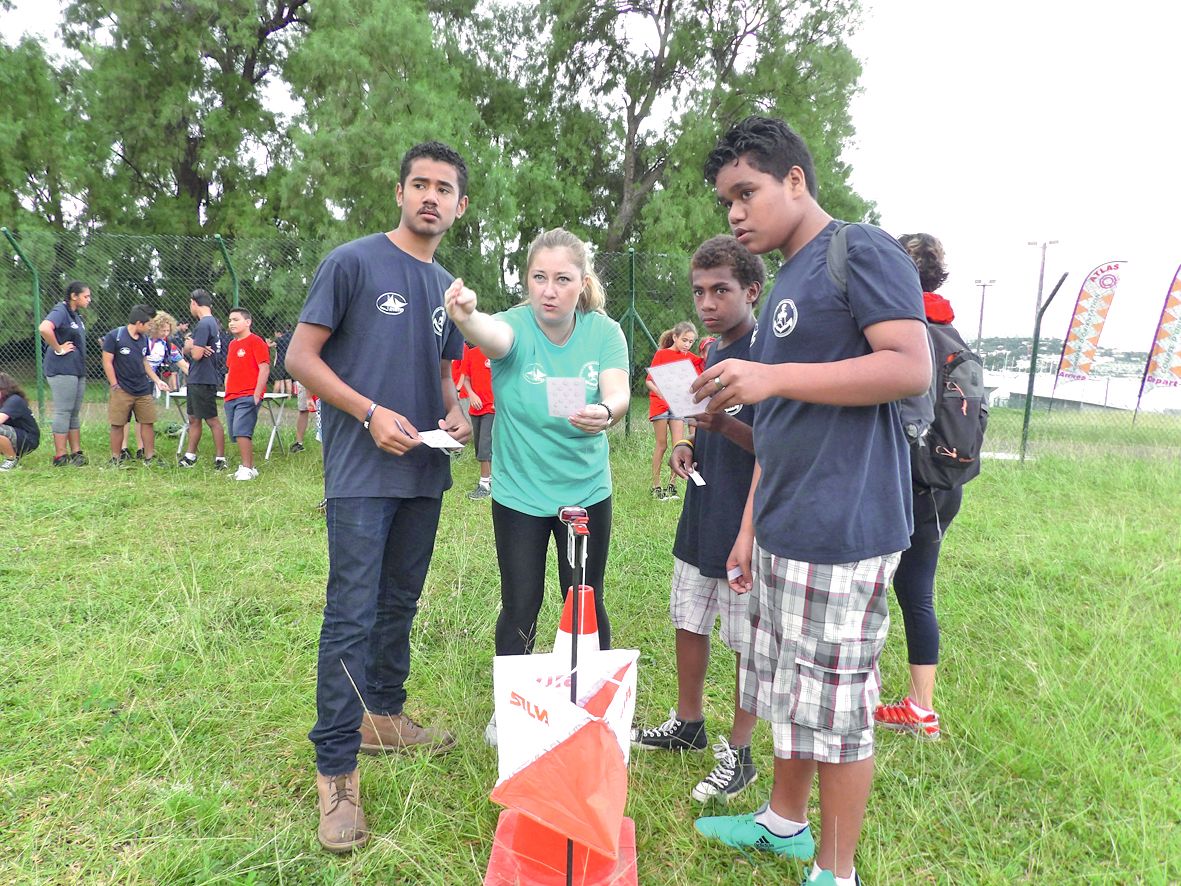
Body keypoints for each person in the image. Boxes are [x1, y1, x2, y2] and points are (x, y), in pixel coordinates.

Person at [690, 116, 930, 886]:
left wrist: (770, 379)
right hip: (782, 524)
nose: (734, 212)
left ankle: (835, 870)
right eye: (727, 198)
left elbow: (907, 366)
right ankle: (784, 823)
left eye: (746, 192)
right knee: (781, 687)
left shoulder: (857, 250)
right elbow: (782, 427)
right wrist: (726, 423)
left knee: (836, 708)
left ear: (795, 180)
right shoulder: (787, 275)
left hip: (845, 527)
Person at [285, 140, 473, 854]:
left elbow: (446, 372)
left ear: (459, 206)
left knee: (401, 601)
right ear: (400, 193)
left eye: (444, 188)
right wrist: (367, 414)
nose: (430, 196)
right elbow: (299, 358)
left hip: (424, 470)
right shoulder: (352, 262)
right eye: (419, 184)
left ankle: (382, 715)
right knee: (351, 612)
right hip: (363, 471)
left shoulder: (449, 286)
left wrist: (457, 412)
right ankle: (336, 769)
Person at [443, 227, 630, 746]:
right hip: (519, 496)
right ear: (527, 281)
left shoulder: (604, 332)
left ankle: (595, 706)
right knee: (521, 600)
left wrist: (607, 411)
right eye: (539, 278)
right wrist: (465, 316)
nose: (550, 290)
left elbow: (618, 391)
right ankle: (511, 709)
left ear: (582, 283)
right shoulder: (513, 328)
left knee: (586, 597)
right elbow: (490, 335)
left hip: (585, 494)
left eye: (562, 279)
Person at [632, 236, 765, 806]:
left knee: (744, 639)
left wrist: (722, 427)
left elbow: (778, 447)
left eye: (721, 290)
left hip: (749, 520)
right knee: (689, 616)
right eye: (699, 291)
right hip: (704, 509)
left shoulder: (771, 354)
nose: (707, 302)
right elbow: (702, 421)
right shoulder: (709, 352)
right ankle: (689, 723)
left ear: (752, 290)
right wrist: (687, 443)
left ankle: (740, 751)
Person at [872, 233, 963, 741]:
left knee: (880, 588)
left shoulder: (909, 335)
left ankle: (900, 703)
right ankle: (919, 707)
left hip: (907, 480)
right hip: (944, 483)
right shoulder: (951, 330)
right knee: (913, 588)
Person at [101, 305, 169, 467]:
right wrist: (114, 384)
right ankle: (115, 458)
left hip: (142, 389)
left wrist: (157, 380)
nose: (151, 328)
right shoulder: (115, 336)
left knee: (148, 422)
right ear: (139, 323)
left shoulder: (144, 339)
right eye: (149, 324)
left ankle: (149, 458)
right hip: (121, 389)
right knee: (117, 424)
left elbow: (144, 361)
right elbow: (107, 361)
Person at [38, 281, 91, 467]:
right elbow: (44, 328)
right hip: (62, 369)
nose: (89, 300)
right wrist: (58, 348)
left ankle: (76, 453)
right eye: (86, 296)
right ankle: (60, 456)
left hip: (77, 369)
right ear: (73, 296)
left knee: (74, 412)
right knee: (63, 411)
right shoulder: (61, 310)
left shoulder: (76, 315)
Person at [647, 321, 701, 500]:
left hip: (678, 407)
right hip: (661, 405)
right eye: (684, 340)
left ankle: (672, 485)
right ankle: (656, 486)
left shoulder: (690, 358)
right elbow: (649, 380)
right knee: (661, 445)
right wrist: (661, 393)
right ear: (675, 337)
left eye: (691, 342)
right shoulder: (662, 354)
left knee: (678, 445)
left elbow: (706, 361)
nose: (687, 344)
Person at [123, 311, 189, 458]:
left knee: (143, 417)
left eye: (168, 330)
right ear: (154, 327)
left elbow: (182, 364)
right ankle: (123, 448)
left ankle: (142, 449)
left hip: (148, 383)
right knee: (124, 415)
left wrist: (197, 378)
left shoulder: (166, 345)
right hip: (129, 380)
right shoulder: (141, 339)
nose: (165, 333)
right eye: (162, 330)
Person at [180, 289, 227, 469]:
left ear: (193, 303)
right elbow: (190, 349)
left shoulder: (204, 324)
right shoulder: (211, 323)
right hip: (197, 378)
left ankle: (220, 459)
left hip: (203, 379)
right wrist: (194, 345)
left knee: (211, 419)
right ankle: (190, 456)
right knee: (193, 418)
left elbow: (197, 354)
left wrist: (193, 345)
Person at [223, 308, 272, 481]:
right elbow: (230, 369)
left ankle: (246, 468)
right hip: (231, 395)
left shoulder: (256, 341)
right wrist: (227, 388)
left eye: (236, 319)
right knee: (236, 433)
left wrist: (257, 394)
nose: (231, 323)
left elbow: (264, 367)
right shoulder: (232, 344)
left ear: (248, 322)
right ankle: (250, 467)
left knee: (242, 430)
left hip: (248, 394)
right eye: (230, 320)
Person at [458, 341, 495, 499]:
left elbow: (506, 378)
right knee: (480, 447)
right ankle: (491, 479)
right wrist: (472, 394)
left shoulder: (496, 352)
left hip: (492, 408)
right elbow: (465, 378)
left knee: (485, 445)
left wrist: (499, 400)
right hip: (475, 409)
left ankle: (484, 484)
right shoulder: (472, 353)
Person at [0, 372, 40, 470]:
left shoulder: (14, 400)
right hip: (14, 434)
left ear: (4, 388)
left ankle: (11, 460)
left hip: (28, 439)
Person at [270, 324, 294, 396]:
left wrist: (267, 342)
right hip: (288, 361)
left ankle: (273, 396)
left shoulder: (279, 340)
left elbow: (269, 345)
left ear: (279, 333)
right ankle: (289, 397)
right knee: (288, 380)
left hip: (280, 362)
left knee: (278, 380)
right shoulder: (290, 339)